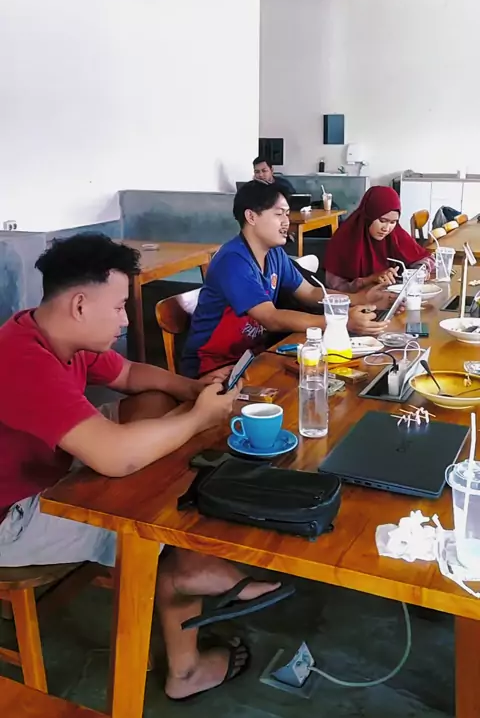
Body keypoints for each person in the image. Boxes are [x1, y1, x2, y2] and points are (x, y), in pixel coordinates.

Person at [0, 233, 289, 700]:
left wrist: (192, 390)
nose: (124, 318)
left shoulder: (55, 331)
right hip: (10, 520)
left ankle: (189, 558)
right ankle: (185, 652)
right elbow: (114, 456)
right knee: (153, 515)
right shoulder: (21, 360)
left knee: (155, 403)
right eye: (118, 307)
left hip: (49, 467)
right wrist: (196, 419)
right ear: (79, 305)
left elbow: (130, 374)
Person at [181, 182, 394, 378]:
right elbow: (271, 317)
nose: (287, 221)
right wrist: (338, 323)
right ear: (251, 217)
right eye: (279, 214)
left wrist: (360, 298)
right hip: (212, 368)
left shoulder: (274, 253)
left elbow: (309, 292)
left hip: (250, 359)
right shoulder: (233, 261)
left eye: (287, 214)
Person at [324, 185, 435, 293]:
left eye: (393, 222)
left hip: (389, 297)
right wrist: (369, 280)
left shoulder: (395, 234)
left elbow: (424, 258)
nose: (386, 228)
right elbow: (334, 287)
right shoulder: (345, 238)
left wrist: (420, 271)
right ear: (369, 216)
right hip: (357, 302)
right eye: (382, 221)